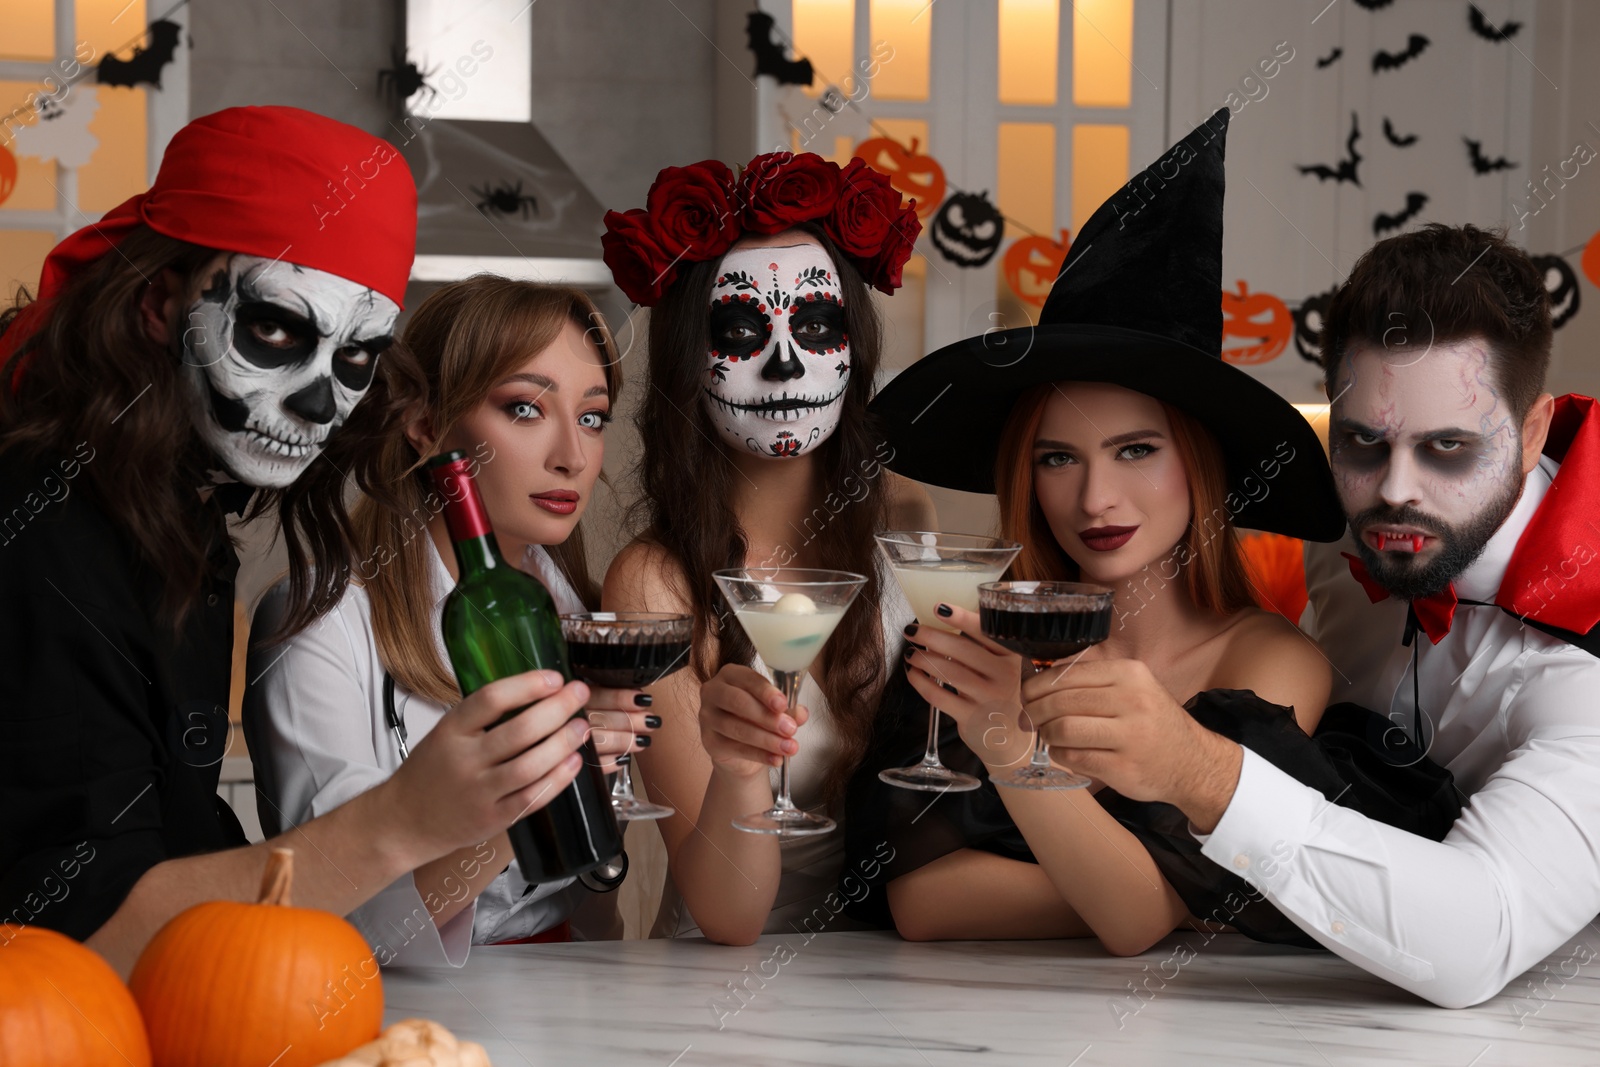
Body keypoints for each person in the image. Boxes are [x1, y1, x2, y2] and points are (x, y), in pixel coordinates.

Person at [0, 107, 595, 977]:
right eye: (276, 329)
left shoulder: (175, 518)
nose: (322, 405)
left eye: (355, 359)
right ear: (161, 302)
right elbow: (77, 939)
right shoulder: (39, 525)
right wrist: (405, 819)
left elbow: (178, 847)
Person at [1016, 218, 1600, 1008]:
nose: (1395, 490)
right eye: (1362, 440)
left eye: (1449, 448)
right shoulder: (1337, 520)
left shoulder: (1585, 669)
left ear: (1532, 433)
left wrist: (1200, 771)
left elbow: (1481, 938)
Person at [849, 109, 1373, 954]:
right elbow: (925, 903)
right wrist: (1188, 896)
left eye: (1135, 450)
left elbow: (1133, 918)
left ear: (1198, 463)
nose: (1096, 496)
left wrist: (1007, 745)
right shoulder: (962, 634)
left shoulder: (1271, 664)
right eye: (1058, 457)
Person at [245, 277, 652, 963]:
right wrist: (535, 784)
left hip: (573, 992)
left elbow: (594, 888)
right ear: (427, 426)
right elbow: (351, 916)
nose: (572, 456)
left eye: (591, 417)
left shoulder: (582, 616)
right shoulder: (320, 619)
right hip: (383, 1007)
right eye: (525, 408)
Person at [599, 151, 932, 943]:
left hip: (904, 980)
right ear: (690, 360)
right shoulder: (656, 583)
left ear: (854, 349)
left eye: (816, 325)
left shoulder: (905, 541)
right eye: (743, 330)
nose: (786, 362)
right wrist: (741, 768)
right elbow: (726, 912)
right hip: (728, 997)